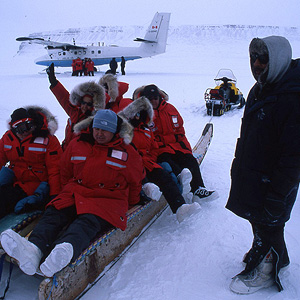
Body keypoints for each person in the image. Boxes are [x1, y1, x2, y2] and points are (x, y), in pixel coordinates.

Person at [0, 109, 145, 277]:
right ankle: (33, 250)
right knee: (53, 214)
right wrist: (63, 192)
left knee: (86, 223)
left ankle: (63, 250)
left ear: (114, 131)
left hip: (106, 199)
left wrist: (132, 202)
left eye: (105, 130)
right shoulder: (78, 144)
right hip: (75, 192)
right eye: (97, 128)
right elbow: (64, 170)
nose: (99, 133)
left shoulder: (127, 152)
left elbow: (136, 180)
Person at [226, 36, 300, 294]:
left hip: (276, 179)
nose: (256, 64)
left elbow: (294, 156)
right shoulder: (261, 89)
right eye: (253, 58)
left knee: (270, 221)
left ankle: (267, 269)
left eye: (264, 59)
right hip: (255, 173)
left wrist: (279, 193)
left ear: (278, 60)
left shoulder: (293, 97)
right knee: (259, 220)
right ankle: (274, 254)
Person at [119, 96, 200, 222]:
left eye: (137, 113)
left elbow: (154, 148)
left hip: (148, 163)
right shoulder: (121, 131)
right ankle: (146, 190)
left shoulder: (145, 130)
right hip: (130, 165)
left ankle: (180, 207)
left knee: (164, 176)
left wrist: (149, 158)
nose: (135, 116)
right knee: (137, 177)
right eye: (132, 113)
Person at [134, 84, 218, 203]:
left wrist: (187, 150)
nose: (153, 101)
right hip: (159, 150)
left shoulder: (170, 109)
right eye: (150, 99)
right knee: (168, 162)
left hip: (177, 146)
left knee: (190, 160)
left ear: (159, 97)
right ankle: (180, 181)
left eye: (155, 98)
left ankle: (198, 188)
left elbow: (180, 132)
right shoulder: (143, 114)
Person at [0, 106, 62, 219]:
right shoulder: (8, 138)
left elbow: (55, 170)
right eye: (20, 129)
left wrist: (54, 196)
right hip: (14, 181)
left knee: (4, 200)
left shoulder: (48, 140)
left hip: (35, 185)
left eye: (27, 127)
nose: (24, 132)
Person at [46, 63, 106, 150]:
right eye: (83, 102)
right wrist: (53, 81)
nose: (84, 106)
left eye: (89, 104)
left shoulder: (96, 120)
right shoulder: (75, 112)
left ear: (94, 105)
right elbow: (63, 97)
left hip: (79, 156)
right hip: (66, 151)